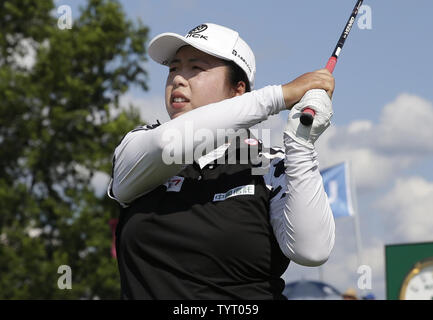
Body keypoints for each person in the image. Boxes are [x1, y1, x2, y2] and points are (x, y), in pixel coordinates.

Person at [108, 23, 336, 299]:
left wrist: (301, 144)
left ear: (238, 90)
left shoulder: (270, 166)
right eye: (173, 68)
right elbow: (167, 142)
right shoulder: (140, 144)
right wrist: (279, 96)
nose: (179, 78)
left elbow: (311, 250)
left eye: (196, 68)